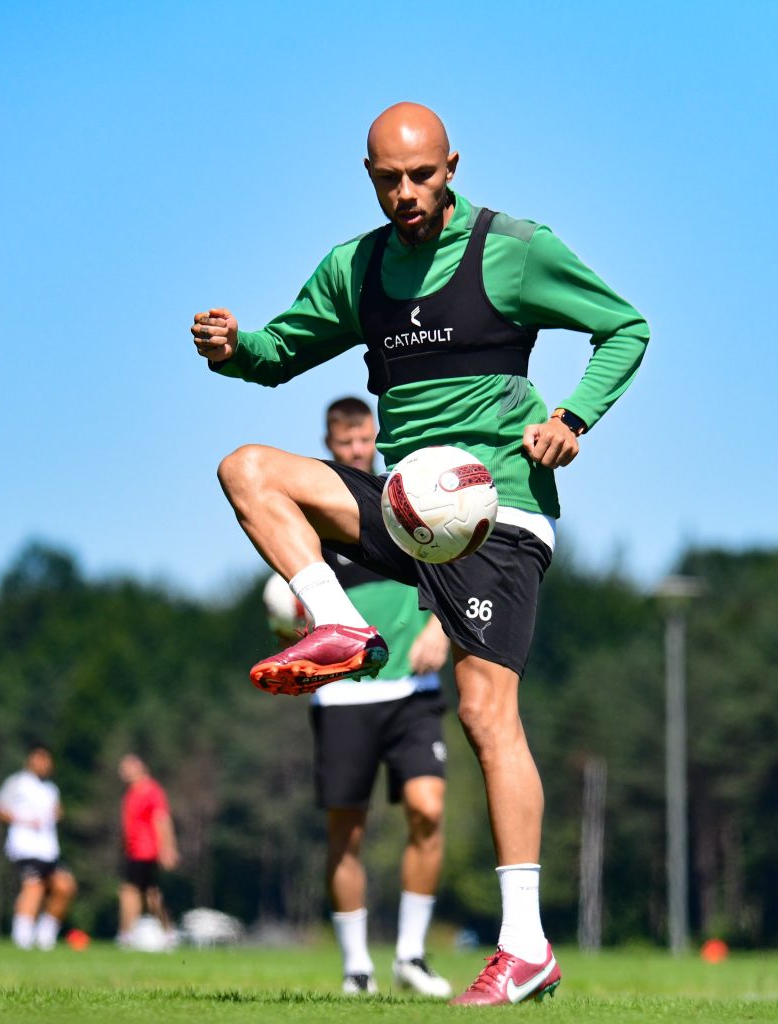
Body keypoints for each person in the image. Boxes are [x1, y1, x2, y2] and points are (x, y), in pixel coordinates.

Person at [191, 101, 649, 1005]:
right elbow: (281, 352)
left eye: (422, 175)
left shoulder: (514, 249)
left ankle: (525, 946)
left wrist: (571, 417)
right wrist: (235, 347)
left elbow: (626, 327)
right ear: (369, 176)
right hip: (407, 506)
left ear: (451, 168)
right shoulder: (357, 268)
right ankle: (337, 625)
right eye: (389, 178)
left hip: (496, 508)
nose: (405, 192)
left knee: (485, 714)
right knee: (247, 469)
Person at [264, 396, 453, 997]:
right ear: (329, 444)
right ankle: (357, 968)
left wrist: (440, 626)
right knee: (346, 833)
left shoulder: (405, 500)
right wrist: (287, 628)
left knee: (428, 810)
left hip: (413, 693)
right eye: (344, 442)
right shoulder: (313, 520)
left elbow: (452, 569)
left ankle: (412, 957)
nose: (356, 450)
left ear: (376, 436)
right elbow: (290, 610)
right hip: (343, 698)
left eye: (364, 439)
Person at [0, 744, 76, 950]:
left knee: (65, 886)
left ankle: (45, 934)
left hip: (48, 848)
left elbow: (56, 811)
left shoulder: (51, 788)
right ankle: (22, 936)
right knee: (34, 886)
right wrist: (23, 820)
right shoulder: (17, 782)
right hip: (25, 846)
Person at [117, 753, 179, 947]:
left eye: (128, 767)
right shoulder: (131, 792)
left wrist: (167, 848)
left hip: (146, 850)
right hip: (134, 850)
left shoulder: (151, 790)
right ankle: (168, 932)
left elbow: (162, 819)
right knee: (151, 895)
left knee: (130, 891)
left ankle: (126, 935)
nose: (123, 771)